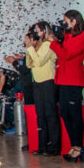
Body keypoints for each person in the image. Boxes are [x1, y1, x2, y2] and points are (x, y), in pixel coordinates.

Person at [50, 10, 84, 162]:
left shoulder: (82, 38)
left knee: (74, 115)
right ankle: (74, 145)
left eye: (66, 21)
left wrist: (54, 42)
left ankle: (79, 147)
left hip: (74, 81)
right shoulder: (69, 36)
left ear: (74, 21)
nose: (64, 23)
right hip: (63, 80)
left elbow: (66, 55)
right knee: (65, 114)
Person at [25, 22, 60, 156]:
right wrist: (30, 48)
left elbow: (39, 62)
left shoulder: (48, 44)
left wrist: (31, 49)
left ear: (45, 31)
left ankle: (54, 146)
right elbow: (30, 64)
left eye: (38, 30)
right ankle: (42, 146)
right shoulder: (37, 47)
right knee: (40, 115)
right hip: (38, 82)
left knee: (50, 114)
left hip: (47, 81)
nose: (37, 33)